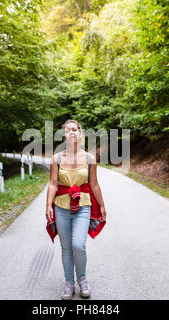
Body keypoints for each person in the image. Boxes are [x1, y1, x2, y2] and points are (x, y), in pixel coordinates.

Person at [45, 119, 107, 300]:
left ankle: (82, 279)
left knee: (78, 245)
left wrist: (102, 205)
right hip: (61, 206)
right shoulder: (56, 159)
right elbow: (53, 184)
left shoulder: (89, 159)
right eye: (68, 130)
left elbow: (94, 184)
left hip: (83, 205)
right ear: (63, 135)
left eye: (75, 129)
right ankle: (69, 283)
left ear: (80, 134)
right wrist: (48, 205)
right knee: (65, 248)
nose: (72, 132)